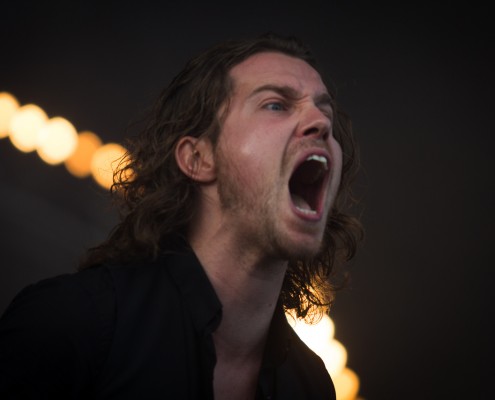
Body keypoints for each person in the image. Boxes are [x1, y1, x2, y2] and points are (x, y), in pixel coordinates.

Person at [0, 32, 363, 399]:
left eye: (325, 111)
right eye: (276, 105)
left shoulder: (311, 386)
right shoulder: (69, 324)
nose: (320, 122)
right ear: (198, 159)